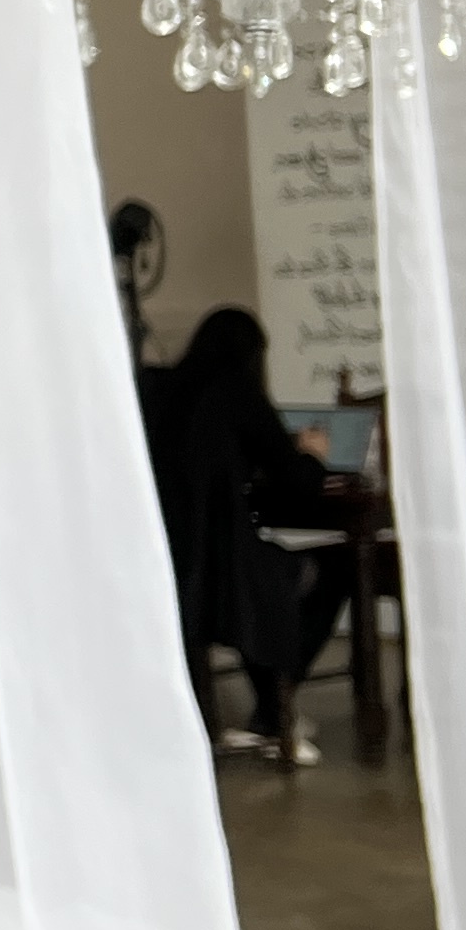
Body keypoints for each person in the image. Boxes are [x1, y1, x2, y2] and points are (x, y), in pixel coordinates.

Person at [147, 305, 355, 765]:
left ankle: (270, 709)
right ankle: (279, 696)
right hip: (224, 571)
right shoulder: (238, 393)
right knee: (333, 568)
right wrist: (313, 454)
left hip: (167, 567)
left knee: (263, 580)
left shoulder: (158, 390)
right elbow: (296, 484)